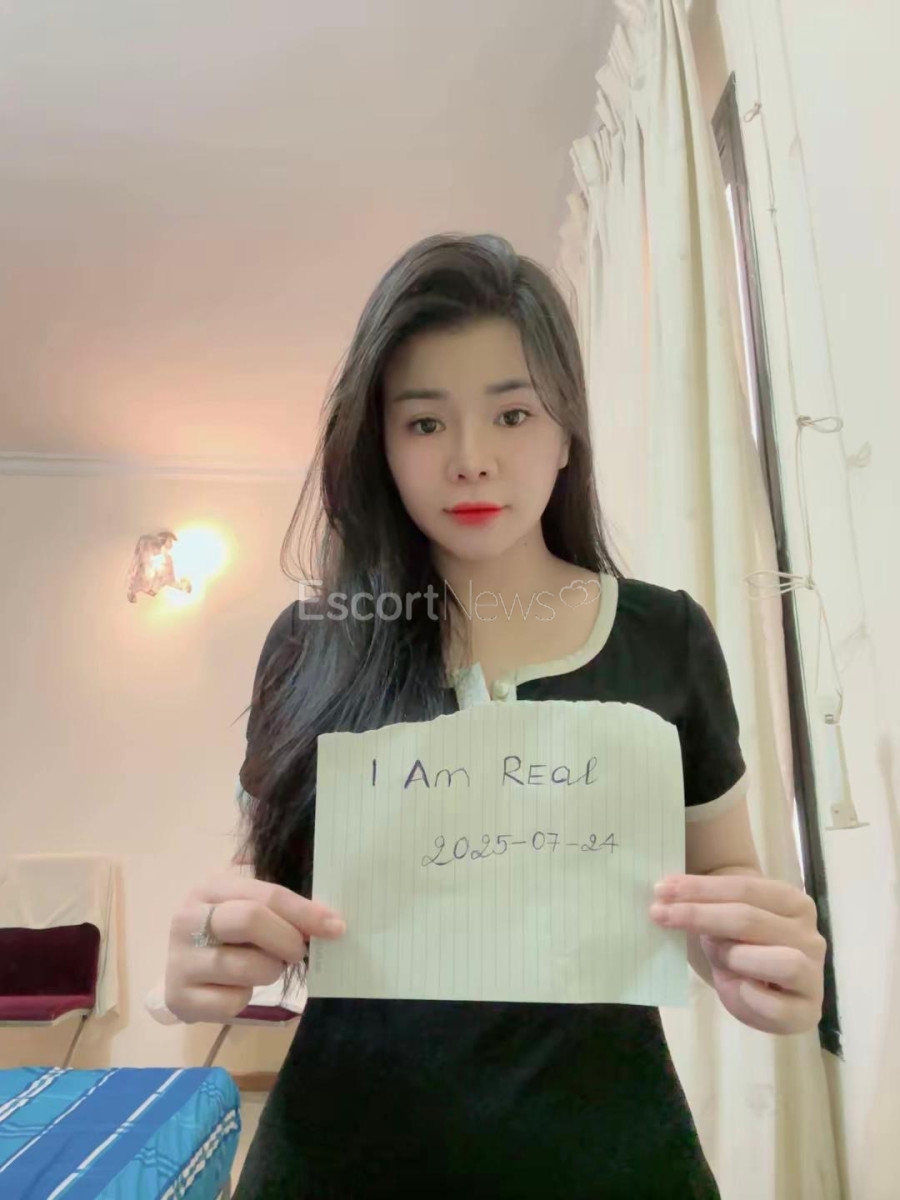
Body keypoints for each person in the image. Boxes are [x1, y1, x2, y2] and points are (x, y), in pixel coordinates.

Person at [164, 233, 826, 1199]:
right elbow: (255, 881)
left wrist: (759, 950)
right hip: (341, 1156)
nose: (472, 461)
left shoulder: (664, 636)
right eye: (425, 422)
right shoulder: (312, 642)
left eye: (513, 414)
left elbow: (724, 875)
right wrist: (208, 943)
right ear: (380, 444)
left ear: (566, 432)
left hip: (610, 1155)